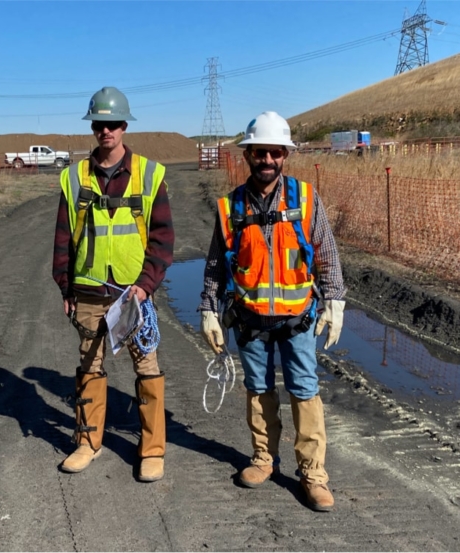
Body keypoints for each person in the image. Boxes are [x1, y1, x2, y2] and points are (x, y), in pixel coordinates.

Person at [199, 111, 345, 511]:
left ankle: (313, 474)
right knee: (258, 389)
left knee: (304, 391)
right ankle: (264, 458)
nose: (267, 160)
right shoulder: (230, 207)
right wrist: (209, 309)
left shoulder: (305, 197)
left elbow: (327, 254)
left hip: (298, 320)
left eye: (275, 153)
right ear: (248, 155)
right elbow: (216, 263)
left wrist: (334, 300)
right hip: (250, 321)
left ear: (285, 155)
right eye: (260, 152)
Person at [52, 86, 174, 482]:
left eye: (114, 124)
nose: (107, 131)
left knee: (147, 366)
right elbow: (62, 240)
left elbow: (162, 240)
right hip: (88, 292)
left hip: (132, 295)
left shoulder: (150, 175)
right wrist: (66, 288)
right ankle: (87, 443)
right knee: (89, 366)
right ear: (94, 127)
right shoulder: (73, 179)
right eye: (100, 124)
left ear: (125, 126)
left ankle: (151, 450)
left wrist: (144, 286)